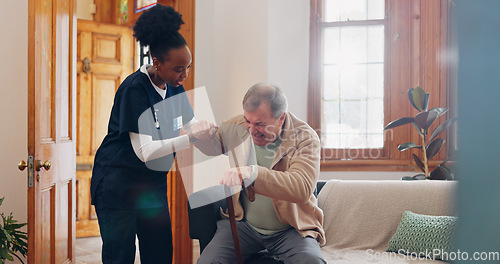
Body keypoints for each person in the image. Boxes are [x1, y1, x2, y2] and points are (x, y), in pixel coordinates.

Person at [90, 5, 213, 264]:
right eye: (179, 68)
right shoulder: (135, 89)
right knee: (119, 257)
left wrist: (216, 134)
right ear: (156, 62)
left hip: (150, 187)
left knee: (158, 254)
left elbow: (193, 128)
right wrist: (191, 138)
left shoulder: (175, 88)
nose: (185, 75)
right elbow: (145, 151)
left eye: (188, 67)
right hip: (117, 183)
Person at [195, 83, 326, 264]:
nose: (251, 129)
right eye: (247, 121)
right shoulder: (239, 125)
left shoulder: (305, 138)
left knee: (312, 262)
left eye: (260, 124)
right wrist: (200, 134)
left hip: (291, 230)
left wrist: (252, 173)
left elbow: (301, 188)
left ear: (281, 119)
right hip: (244, 226)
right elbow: (215, 146)